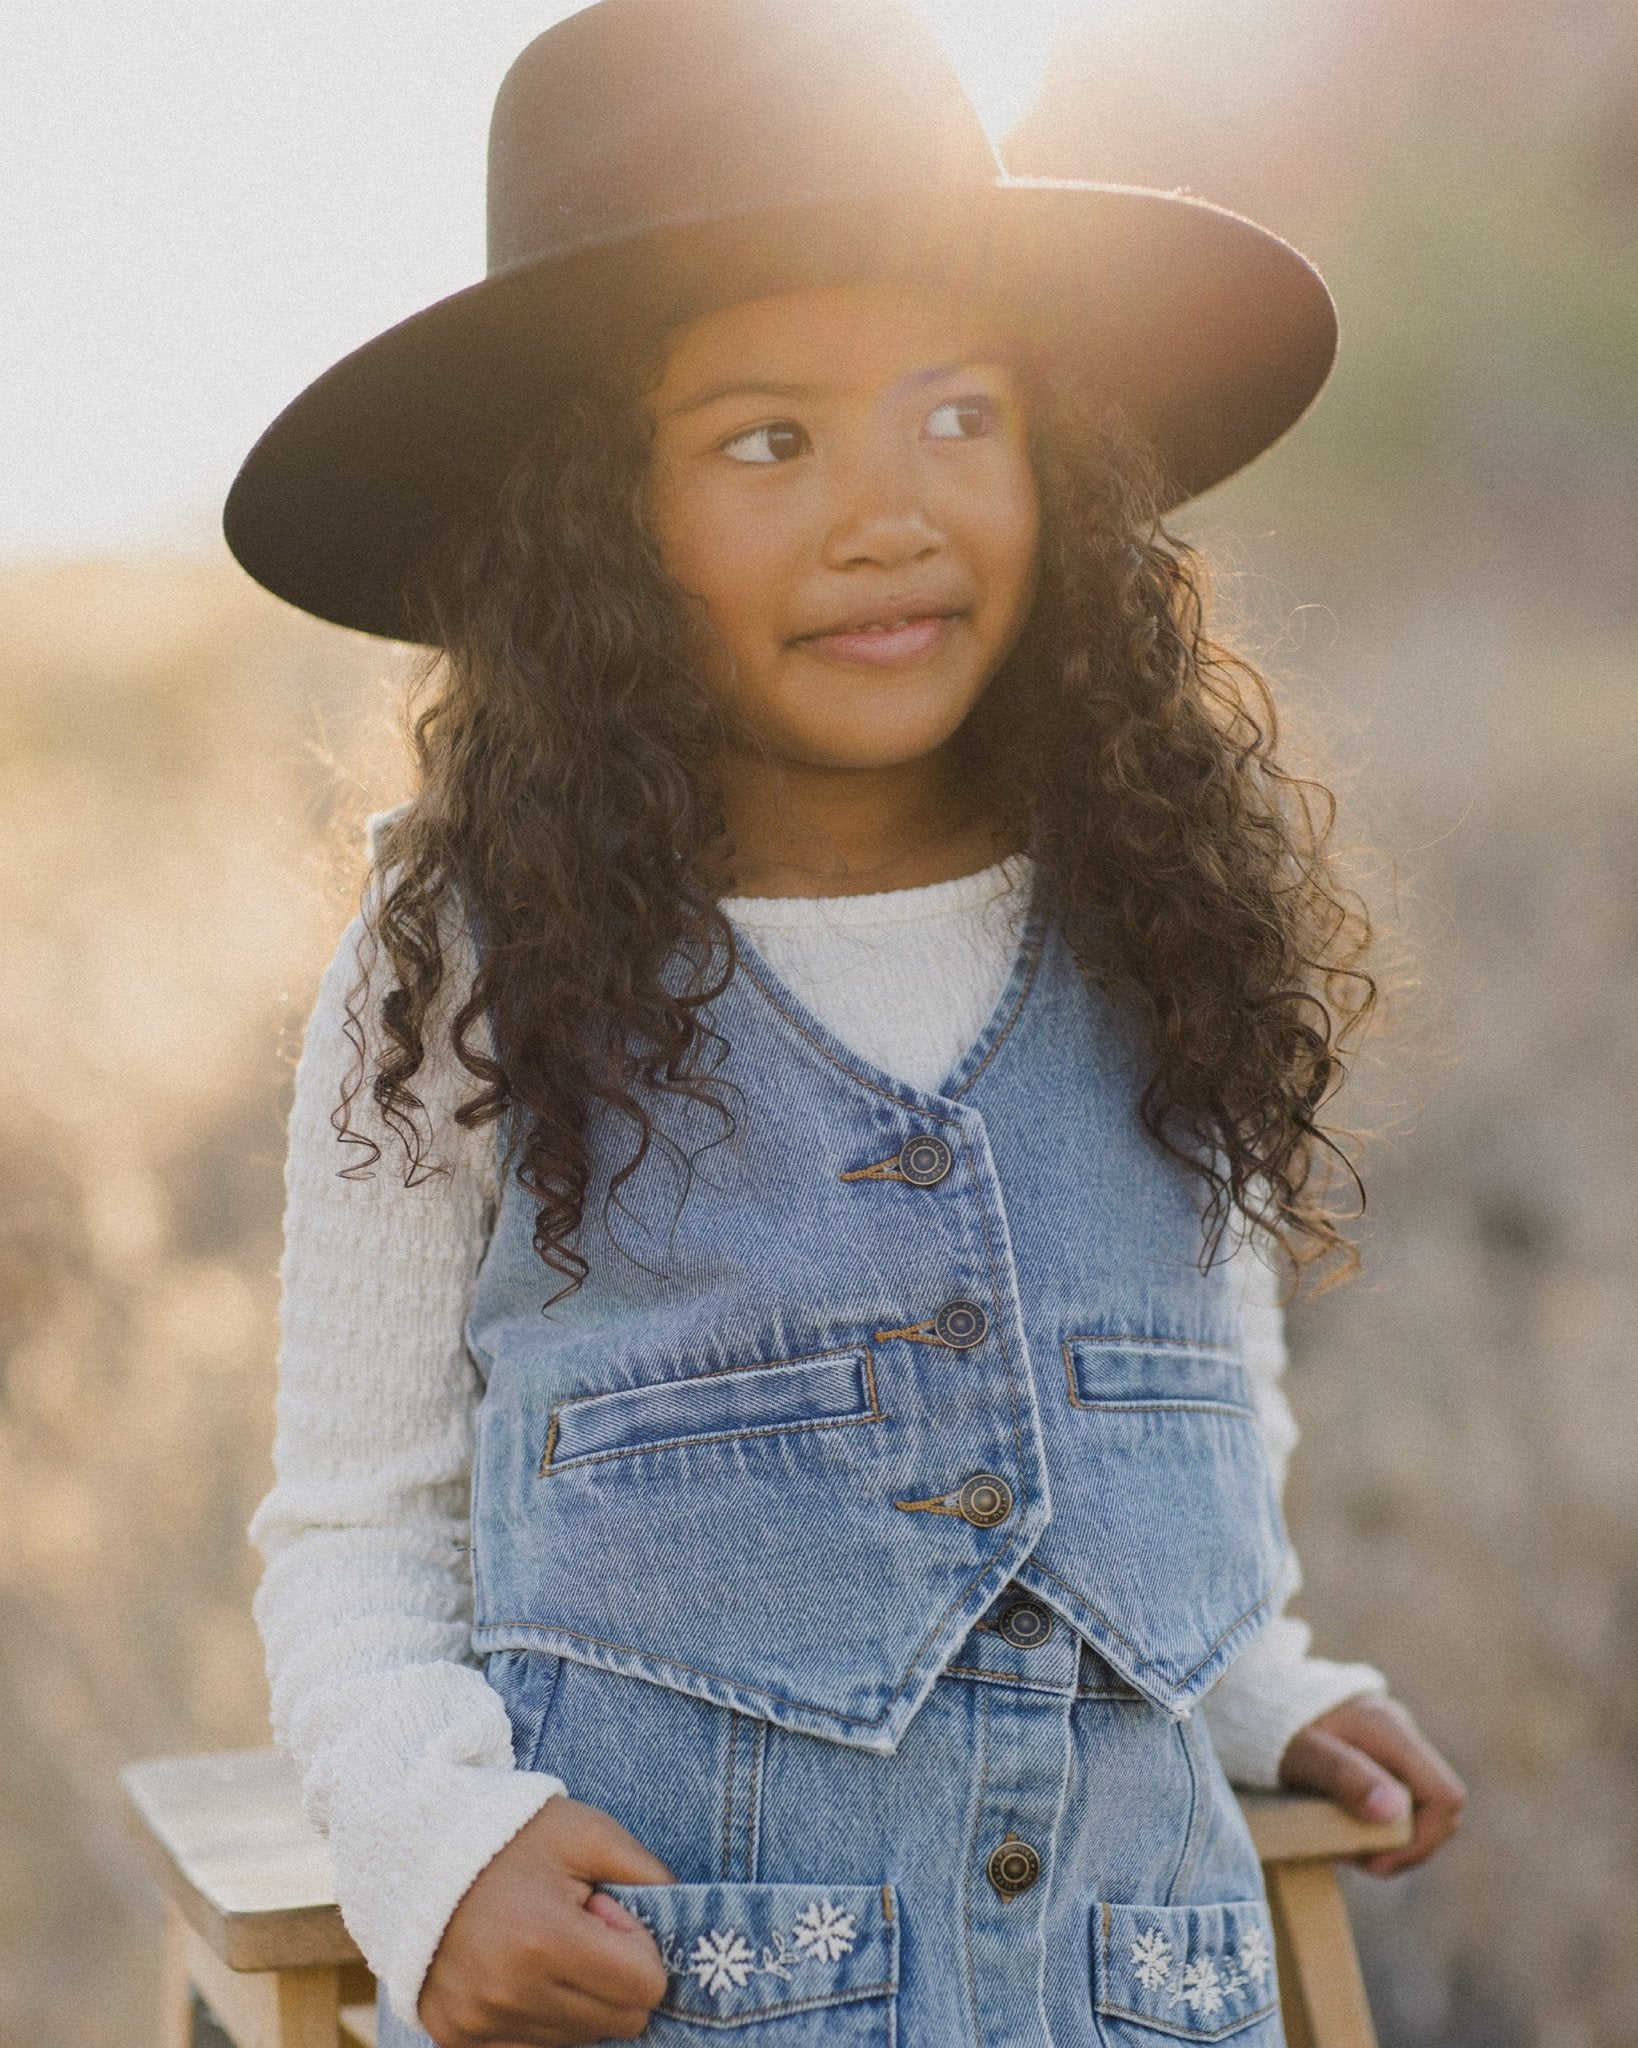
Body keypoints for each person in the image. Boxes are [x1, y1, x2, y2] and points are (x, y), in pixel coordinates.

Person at [232, 3, 1465, 2043]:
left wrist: (1256, 1675)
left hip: (1135, 1992)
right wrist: (425, 1834)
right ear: (595, 519)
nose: (891, 508)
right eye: (767, 438)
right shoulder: (470, 951)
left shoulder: (1152, 900)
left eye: (961, 415)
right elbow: (359, 1524)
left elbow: (1181, 1380)